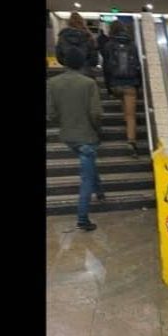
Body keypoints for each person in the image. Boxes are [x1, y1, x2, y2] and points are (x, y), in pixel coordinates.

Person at [47, 47, 104, 232]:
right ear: (82, 63)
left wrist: (66, 120)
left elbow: (51, 114)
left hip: (67, 136)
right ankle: (82, 218)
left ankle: (100, 191)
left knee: (89, 162)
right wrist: (97, 131)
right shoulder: (88, 83)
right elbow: (95, 113)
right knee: (86, 176)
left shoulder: (52, 83)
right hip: (86, 136)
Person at [99, 20, 141, 158]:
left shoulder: (109, 45)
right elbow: (138, 65)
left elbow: (106, 68)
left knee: (123, 101)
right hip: (130, 84)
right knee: (131, 116)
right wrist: (138, 84)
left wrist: (108, 87)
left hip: (115, 84)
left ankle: (125, 120)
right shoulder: (132, 44)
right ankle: (131, 142)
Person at [56, 12, 98, 77]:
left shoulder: (63, 36)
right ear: (82, 22)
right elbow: (94, 59)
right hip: (86, 71)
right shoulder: (88, 36)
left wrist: (67, 63)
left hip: (68, 70)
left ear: (69, 22)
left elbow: (59, 56)